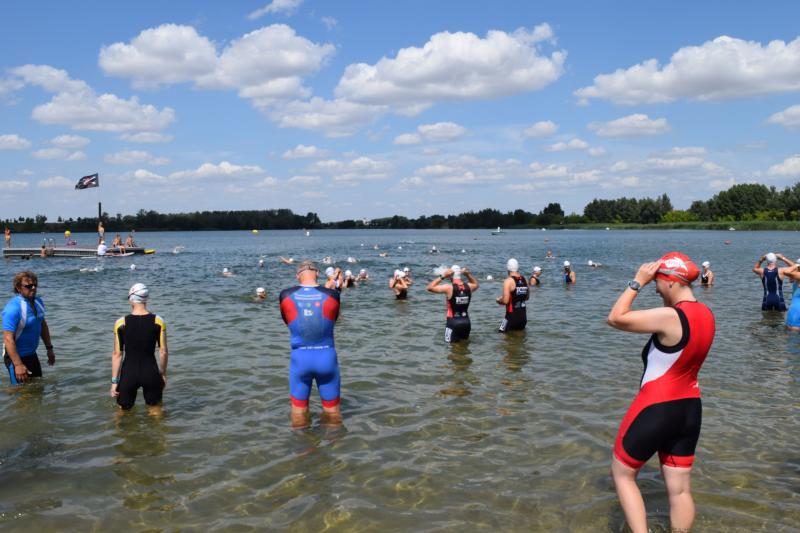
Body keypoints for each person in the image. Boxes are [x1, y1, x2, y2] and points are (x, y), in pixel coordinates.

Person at [606, 252, 715, 533]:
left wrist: (637, 282)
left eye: (657, 282)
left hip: (657, 405)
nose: (655, 288)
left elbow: (615, 317)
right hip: (690, 409)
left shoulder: (671, 316)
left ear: (671, 281)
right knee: (680, 490)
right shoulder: (707, 314)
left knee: (623, 474)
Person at [279, 261, 342, 428]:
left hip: (300, 358)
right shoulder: (333, 295)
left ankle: (302, 442)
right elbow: (333, 320)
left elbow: (288, 322)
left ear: (297, 276)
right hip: (326, 357)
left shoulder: (285, 295)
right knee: (332, 411)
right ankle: (335, 441)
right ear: (318, 273)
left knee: (298, 411)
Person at [110, 283, 168, 413]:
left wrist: (114, 382)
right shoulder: (158, 321)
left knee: (122, 413)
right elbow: (163, 352)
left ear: (131, 299)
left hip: (129, 373)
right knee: (155, 410)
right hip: (151, 372)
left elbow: (117, 354)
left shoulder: (120, 323)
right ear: (146, 298)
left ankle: (122, 426)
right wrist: (163, 374)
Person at [3, 271, 56, 384]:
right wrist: (18, 364)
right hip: (15, 357)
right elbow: (8, 339)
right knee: (22, 392)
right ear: (18, 288)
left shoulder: (38, 302)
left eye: (35, 285)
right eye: (29, 286)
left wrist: (49, 349)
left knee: (38, 388)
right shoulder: (13, 308)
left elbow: (42, 325)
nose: (33, 288)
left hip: (32, 354)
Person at [427, 265, 479, 343]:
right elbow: (476, 284)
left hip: (453, 322)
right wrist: (468, 275)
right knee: (464, 347)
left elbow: (429, 287)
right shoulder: (469, 287)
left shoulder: (449, 288)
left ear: (450, 276)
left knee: (451, 348)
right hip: (466, 322)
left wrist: (443, 276)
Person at [497, 258, 529, 332]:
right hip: (523, 318)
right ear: (518, 267)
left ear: (507, 268)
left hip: (511, 317)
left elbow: (505, 301)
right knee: (519, 337)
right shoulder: (525, 280)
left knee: (501, 335)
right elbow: (527, 297)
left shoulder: (508, 281)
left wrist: (498, 300)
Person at [785, 260, 800, 330]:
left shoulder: (798, 276)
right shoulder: (796, 277)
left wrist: (796, 265)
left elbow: (786, 272)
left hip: (796, 310)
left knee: (792, 331)